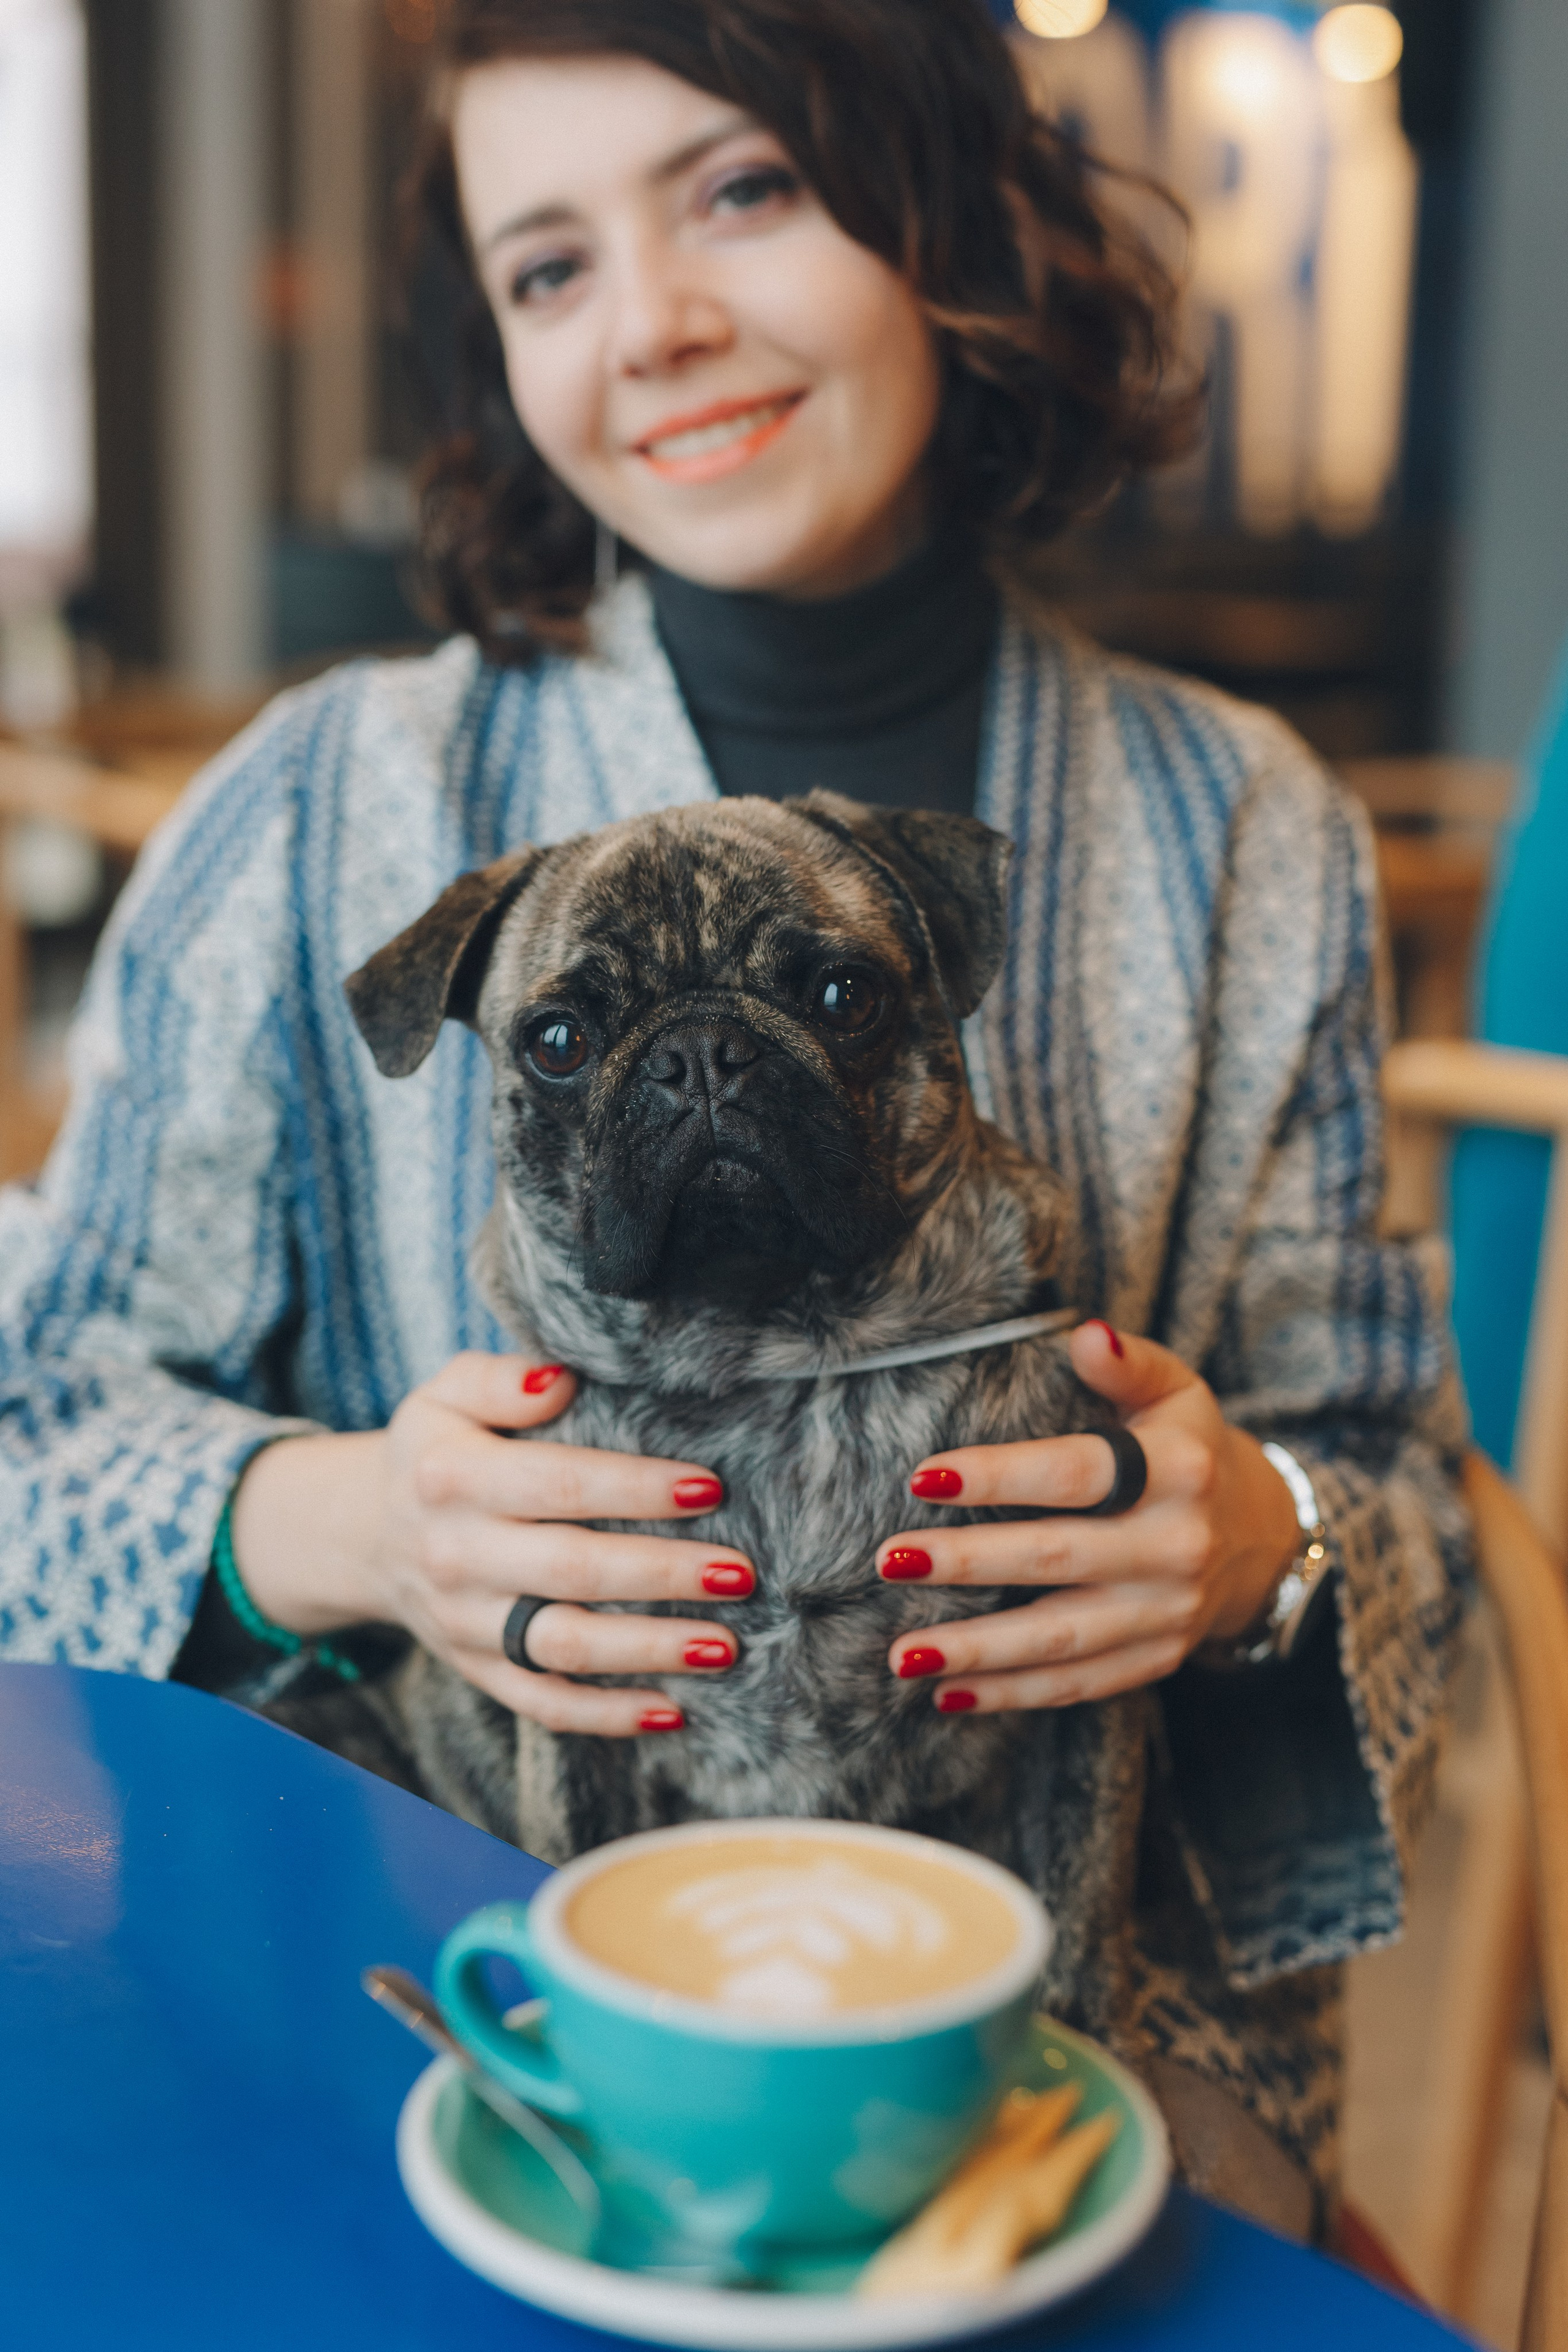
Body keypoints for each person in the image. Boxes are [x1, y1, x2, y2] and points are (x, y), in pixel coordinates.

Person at [0, 0, 1469, 2240]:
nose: (658, 324)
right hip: (471, 1969)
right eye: (550, 266)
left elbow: (1409, 1496)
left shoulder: (1241, 830)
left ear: (955, 211)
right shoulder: (316, 811)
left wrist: (1259, 1537)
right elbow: (25, 1442)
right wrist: (349, 1523)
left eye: (742, 190)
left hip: (1083, 2021)